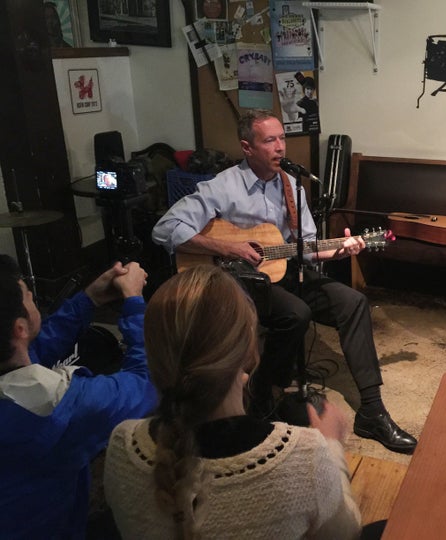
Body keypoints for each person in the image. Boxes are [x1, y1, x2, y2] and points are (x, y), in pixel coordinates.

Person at [152, 109, 417, 454]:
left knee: (353, 302)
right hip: (240, 282)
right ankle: (264, 394)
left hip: (285, 272)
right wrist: (227, 246)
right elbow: (165, 229)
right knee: (296, 312)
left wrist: (338, 251)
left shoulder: (292, 186)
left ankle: (372, 409)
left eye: (282, 138)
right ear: (247, 147)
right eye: (269, 140)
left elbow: (306, 246)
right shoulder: (222, 186)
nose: (280, 147)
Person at [103, 265, 362, 539]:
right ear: (250, 350)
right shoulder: (305, 457)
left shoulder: (122, 445)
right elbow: (348, 532)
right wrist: (332, 445)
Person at [0, 255, 156, 538]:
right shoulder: (54, 410)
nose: (33, 297)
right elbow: (146, 383)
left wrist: (90, 298)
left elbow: (34, 350)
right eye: (28, 296)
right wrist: (134, 301)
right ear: (19, 329)